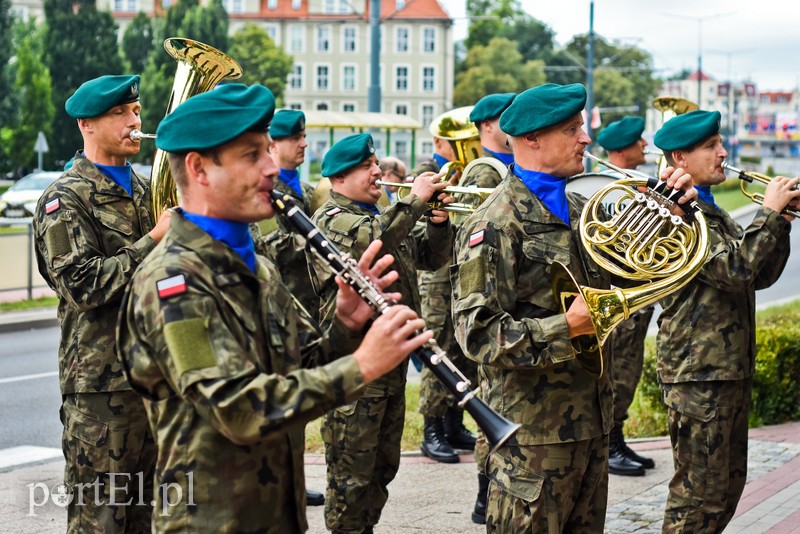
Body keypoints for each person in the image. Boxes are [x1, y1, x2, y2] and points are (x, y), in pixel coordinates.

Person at [116, 83, 432, 532]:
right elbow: (238, 409)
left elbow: (301, 365)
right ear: (199, 168)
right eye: (252, 156)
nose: (271, 168)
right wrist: (362, 365)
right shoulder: (174, 281)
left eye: (268, 151)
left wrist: (344, 324)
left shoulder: (258, 268)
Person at [451, 83, 697, 532]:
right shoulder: (494, 222)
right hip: (533, 440)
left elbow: (630, 276)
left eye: (581, 127)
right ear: (532, 139)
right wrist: (564, 327)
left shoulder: (584, 207)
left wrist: (671, 218)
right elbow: (476, 334)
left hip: (591, 424)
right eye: (572, 129)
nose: (585, 139)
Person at [32, 74, 170, 532]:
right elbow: (82, 284)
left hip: (152, 379)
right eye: (121, 113)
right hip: (100, 393)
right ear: (87, 124)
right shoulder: (64, 199)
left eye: (136, 111)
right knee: (100, 522)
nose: (136, 120)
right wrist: (154, 240)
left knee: (145, 520)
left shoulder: (150, 191)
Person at [653, 109, 800, 533]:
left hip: (725, 369)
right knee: (698, 496)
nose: (723, 152)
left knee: (724, 493)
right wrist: (768, 215)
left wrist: (782, 224)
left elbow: (757, 276)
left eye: (720, 143)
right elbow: (732, 271)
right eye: (711, 146)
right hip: (698, 373)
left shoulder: (708, 208)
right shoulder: (670, 212)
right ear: (680, 157)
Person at [308, 132, 454, 534]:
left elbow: (431, 257)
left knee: (381, 470)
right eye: (366, 167)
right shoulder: (331, 220)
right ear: (339, 177)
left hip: (390, 367)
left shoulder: (382, 215)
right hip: (355, 369)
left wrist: (439, 224)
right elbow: (375, 240)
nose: (377, 172)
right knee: (350, 479)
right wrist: (418, 200)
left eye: (376, 164)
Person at [410, 116, 480, 466]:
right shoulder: (425, 172)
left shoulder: (473, 170)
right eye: (457, 142)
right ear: (439, 144)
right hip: (436, 274)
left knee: (460, 347)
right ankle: (431, 428)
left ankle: (453, 421)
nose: (464, 149)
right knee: (436, 344)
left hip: (461, 267)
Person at [595, 116, 656, 477]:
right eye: (638, 141)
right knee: (618, 372)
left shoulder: (635, 186)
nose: (645, 145)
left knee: (629, 372)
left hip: (636, 297)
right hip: (618, 297)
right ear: (620, 150)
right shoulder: (613, 191)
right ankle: (609, 444)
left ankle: (616, 438)